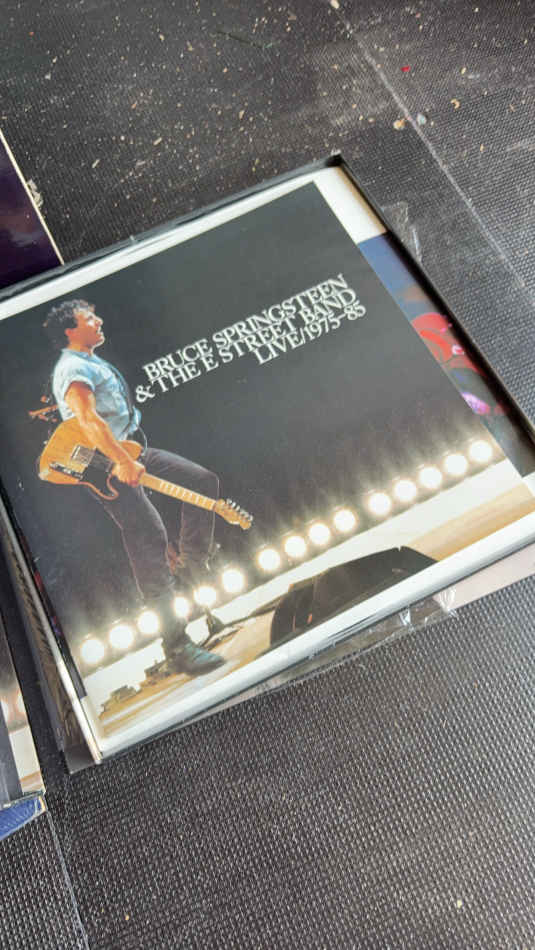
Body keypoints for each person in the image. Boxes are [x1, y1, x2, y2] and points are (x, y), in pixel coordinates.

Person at [43, 298, 225, 676]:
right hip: (108, 463)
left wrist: (129, 455)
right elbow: (87, 419)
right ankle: (177, 646)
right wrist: (122, 461)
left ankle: (190, 568)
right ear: (70, 330)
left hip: (130, 448)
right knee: (149, 539)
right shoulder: (73, 367)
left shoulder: (90, 360)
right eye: (89, 318)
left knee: (202, 481)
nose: (98, 320)